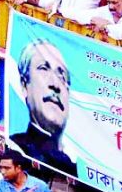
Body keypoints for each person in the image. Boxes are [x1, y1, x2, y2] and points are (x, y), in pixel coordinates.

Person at [12, 39, 75, 173]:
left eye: (62, 76)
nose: (55, 84)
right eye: (43, 69)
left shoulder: (76, 165)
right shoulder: (15, 148)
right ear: (24, 85)